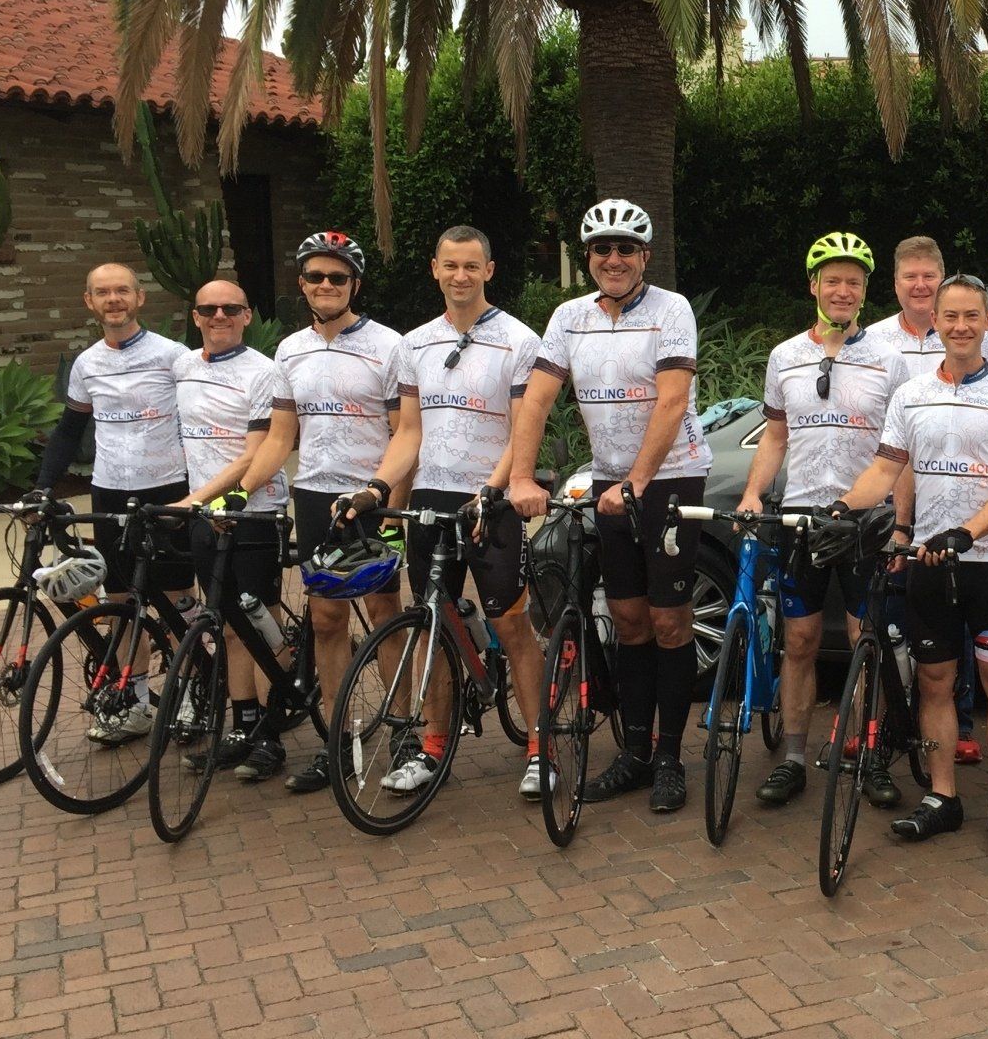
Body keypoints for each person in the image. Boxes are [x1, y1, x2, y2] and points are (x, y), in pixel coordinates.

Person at [509, 199, 713, 813]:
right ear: (588, 257)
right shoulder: (569, 317)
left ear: (644, 256)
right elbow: (538, 400)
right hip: (608, 482)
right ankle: (635, 754)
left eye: (626, 248)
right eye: (603, 249)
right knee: (627, 620)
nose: (614, 258)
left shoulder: (671, 309)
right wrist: (520, 477)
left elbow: (672, 401)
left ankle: (671, 757)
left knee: (669, 621)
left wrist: (637, 482)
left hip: (672, 477)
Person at [837, 274, 988, 852]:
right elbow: (886, 469)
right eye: (950, 316)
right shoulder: (910, 394)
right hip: (928, 558)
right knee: (934, 682)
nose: (960, 326)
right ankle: (943, 796)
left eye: (971, 316)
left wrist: (968, 533)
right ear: (937, 321)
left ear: (987, 321)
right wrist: (842, 507)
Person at [354, 227, 545, 799]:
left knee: (511, 624)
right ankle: (433, 745)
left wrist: (492, 489)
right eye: (450, 266)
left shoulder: (519, 340)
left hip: (491, 498)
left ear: (489, 270)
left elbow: (523, 429)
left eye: (471, 266)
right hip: (431, 498)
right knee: (431, 620)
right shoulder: (414, 343)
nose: (460, 276)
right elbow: (409, 432)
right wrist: (379, 489)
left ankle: (542, 748)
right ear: (434, 269)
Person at [738, 232, 909, 809]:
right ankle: (792, 758)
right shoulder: (785, 356)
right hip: (801, 517)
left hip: (866, 521)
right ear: (813, 285)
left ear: (864, 290)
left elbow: (901, 453)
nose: (842, 291)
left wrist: (901, 523)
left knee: (867, 640)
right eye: (832, 280)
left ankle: (868, 752)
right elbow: (775, 436)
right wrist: (753, 493)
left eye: (853, 282)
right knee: (800, 639)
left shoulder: (889, 360)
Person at [238, 231, 407, 794]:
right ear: (302, 284)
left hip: (371, 497)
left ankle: (403, 733)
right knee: (326, 620)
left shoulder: (389, 346)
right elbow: (279, 436)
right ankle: (337, 741)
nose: (326, 285)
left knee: (384, 612)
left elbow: (405, 433)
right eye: (316, 276)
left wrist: (390, 505)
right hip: (313, 495)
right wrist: (240, 492)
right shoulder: (289, 350)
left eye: (338, 277)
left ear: (355, 284)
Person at [33, 261, 196, 742]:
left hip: (168, 489)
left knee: (176, 600)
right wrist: (43, 487)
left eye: (122, 290)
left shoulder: (173, 356)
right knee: (123, 603)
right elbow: (69, 430)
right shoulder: (86, 364)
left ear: (139, 297)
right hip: (110, 492)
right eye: (102, 293)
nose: (113, 300)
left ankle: (191, 693)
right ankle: (136, 703)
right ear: (89, 302)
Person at [863, 235, 988, 763]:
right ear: (896, 283)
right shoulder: (875, 340)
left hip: (963, 500)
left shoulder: (977, 338)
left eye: (929, 276)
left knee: (954, 610)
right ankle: (888, 723)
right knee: (899, 615)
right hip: (895, 488)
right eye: (911, 276)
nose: (920, 285)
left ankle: (961, 724)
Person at [174, 280, 292, 782]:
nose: (218, 315)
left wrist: (198, 499)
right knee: (225, 624)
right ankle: (243, 725)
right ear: (195, 316)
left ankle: (271, 730)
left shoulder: (264, 372)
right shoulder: (183, 367)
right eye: (208, 309)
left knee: (259, 621)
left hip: (253, 511)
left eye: (230, 308)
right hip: (204, 515)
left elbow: (255, 453)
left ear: (246, 315)